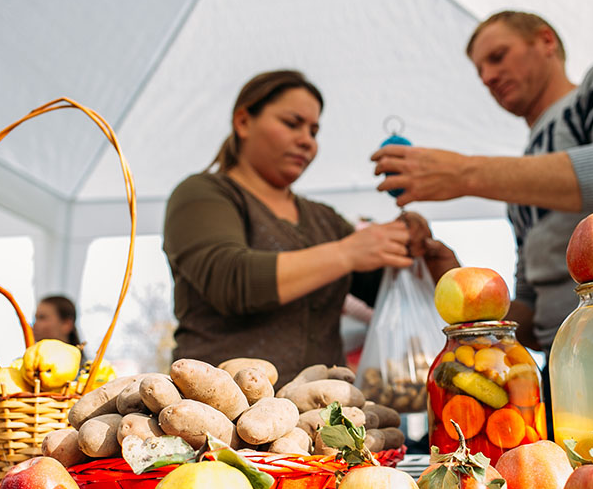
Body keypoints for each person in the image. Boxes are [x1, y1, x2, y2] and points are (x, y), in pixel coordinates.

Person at [372, 11, 593, 429]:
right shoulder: (525, 180)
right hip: (570, 374)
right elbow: (538, 320)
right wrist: (456, 278)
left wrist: (465, 174)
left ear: (546, 41)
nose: (487, 76)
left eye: (498, 56)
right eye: (480, 70)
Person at [163, 70, 457, 387]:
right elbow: (231, 280)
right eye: (292, 124)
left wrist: (418, 254)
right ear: (243, 122)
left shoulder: (324, 220)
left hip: (321, 418)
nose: (306, 140)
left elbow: (382, 290)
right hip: (220, 412)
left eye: (314, 131)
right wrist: (349, 251)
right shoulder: (203, 193)